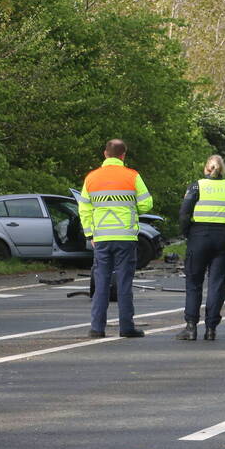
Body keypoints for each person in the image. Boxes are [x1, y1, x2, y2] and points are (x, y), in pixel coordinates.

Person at [78, 139, 152, 338]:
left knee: (101, 282)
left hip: (101, 237)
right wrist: (130, 208)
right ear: (123, 155)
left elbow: (84, 208)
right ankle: (126, 327)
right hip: (126, 237)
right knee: (124, 282)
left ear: (105, 154)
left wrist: (89, 234)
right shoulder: (132, 176)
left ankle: (97, 328)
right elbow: (147, 204)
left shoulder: (91, 178)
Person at [174, 155, 225, 341]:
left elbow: (184, 213)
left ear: (206, 169)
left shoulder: (196, 186)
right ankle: (211, 329)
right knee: (217, 283)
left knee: (194, 283)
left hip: (199, 236)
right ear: (222, 170)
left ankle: (191, 327)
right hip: (223, 238)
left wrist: (188, 234)